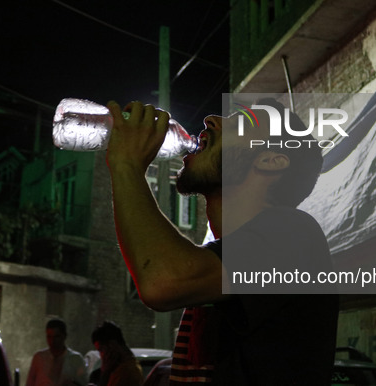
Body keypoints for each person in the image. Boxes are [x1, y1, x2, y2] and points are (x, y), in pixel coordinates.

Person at [106, 98, 339, 385]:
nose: (211, 120)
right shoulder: (218, 266)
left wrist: (126, 164)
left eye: (241, 123)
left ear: (270, 160)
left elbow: (161, 280)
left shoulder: (295, 234)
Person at [26, 318, 87, 386]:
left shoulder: (75, 359)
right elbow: (30, 383)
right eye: (49, 337)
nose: (52, 341)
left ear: (64, 336)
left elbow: (83, 383)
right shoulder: (39, 358)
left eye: (56, 337)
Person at [89, 321, 143, 386]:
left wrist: (106, 372)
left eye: (101, 350)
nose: (101, 356)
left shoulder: (125, 373)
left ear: (112, 345)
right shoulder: (128, 367)